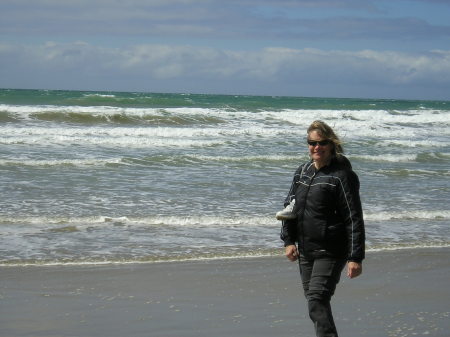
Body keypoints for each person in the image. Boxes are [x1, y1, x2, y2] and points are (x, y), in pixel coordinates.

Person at [279, 120, 365, 337]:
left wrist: (355, 257)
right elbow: (290, 208)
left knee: (317, 299)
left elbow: (353, 218)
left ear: (331, 144)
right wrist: (288, 241)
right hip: (306, 250)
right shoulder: (303, 172)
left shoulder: (342, 176)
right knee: (315, 303)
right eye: (312, 143)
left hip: (332, 250)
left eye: (321, 143)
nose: (316, 147)